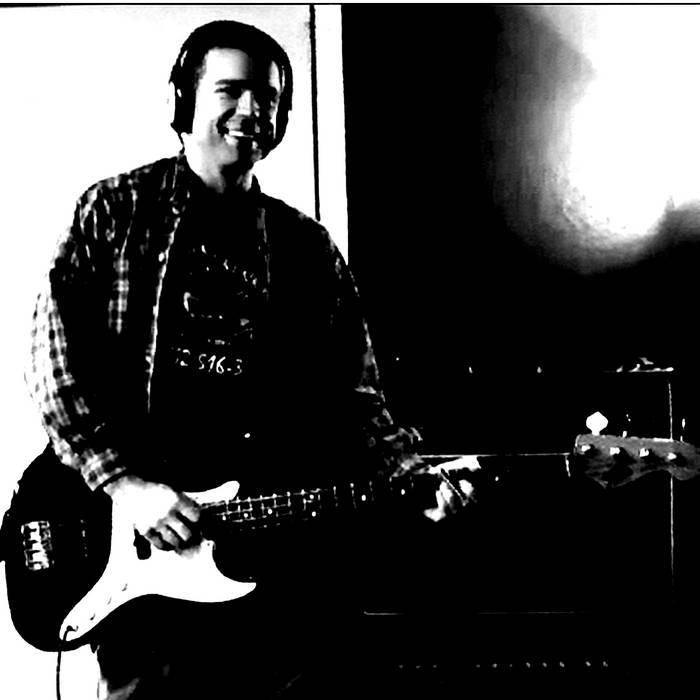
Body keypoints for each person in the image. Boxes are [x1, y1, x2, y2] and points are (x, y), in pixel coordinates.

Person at [26, 19, 472, 699]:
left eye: (268, 98)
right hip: (144, 555)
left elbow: (358, 399)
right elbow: (53, 363)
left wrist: (413, 481)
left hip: (274, 561)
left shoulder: (306, 249)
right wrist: (125, 485)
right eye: (230, 90)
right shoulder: (115, 211)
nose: (252, 110)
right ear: (183, 101)